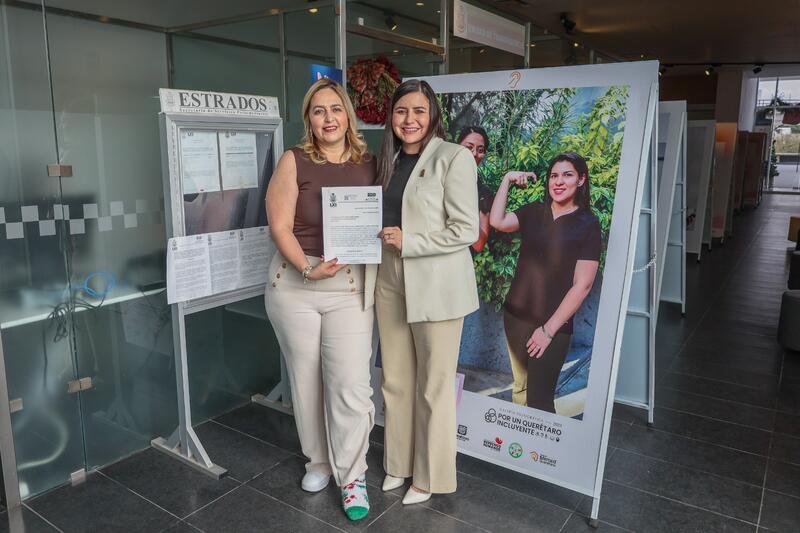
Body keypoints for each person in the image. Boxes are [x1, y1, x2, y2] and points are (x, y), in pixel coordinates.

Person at [264, 78, 376, 521]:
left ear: (348, 114)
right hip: (297, 284)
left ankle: (352, 476)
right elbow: (279, 226)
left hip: (348, 286)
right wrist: (308, 269)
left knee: (351, 385)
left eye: (335, 109)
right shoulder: (294, 161)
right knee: (306, 382)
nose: (328, 118)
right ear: (308, 119)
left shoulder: (369, 163)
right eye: (318, 110)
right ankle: (319, 463)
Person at [375, 79, 479, 505]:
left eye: (419, 111)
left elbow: (467, 229)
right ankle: (398, 465)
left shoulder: (453, 157)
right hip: (389, 278)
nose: (410, 120)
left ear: (432, 115)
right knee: (396, 381)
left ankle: (429, 476)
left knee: (433, 387)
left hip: (436, 281)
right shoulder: (387, 160)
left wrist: (411, 241)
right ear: (392, 118)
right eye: (402, 111)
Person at [489, 152, 601, 413]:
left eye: (567, 175)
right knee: (520, 388)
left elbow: (582, 285)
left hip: (553, 326)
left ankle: (537, 454)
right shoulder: (533, 212)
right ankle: (516, 447)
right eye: (554, 176)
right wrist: (506, 180)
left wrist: (547, 331)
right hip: (515, 317)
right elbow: (497, 221)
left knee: (540, 401)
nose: (558, 182)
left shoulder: (588, 224)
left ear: (581, 180)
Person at [456, 126, 493, 253]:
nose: (474, 154)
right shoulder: (439, 177)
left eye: (480, 150)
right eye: (468, 147)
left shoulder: (483, 193)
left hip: (460, 260)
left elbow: (479, 245)